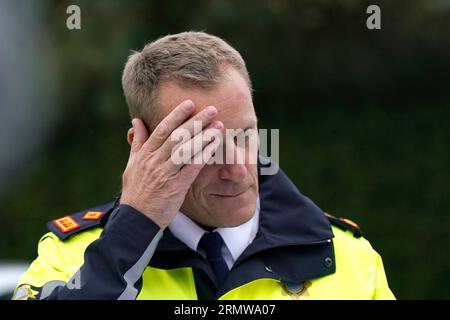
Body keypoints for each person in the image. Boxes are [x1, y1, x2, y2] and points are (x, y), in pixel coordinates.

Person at [13, 31, 395, 300]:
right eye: (205, 148)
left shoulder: (348, 257)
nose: (238, 169)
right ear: (142, 147)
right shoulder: (71, 258)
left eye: (245, 136)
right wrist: (131, 234)